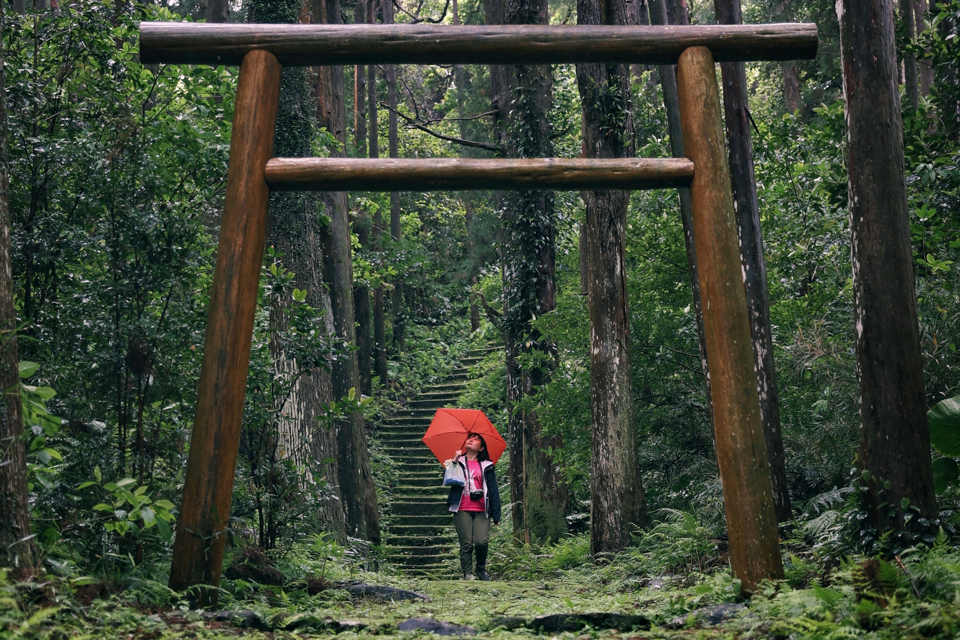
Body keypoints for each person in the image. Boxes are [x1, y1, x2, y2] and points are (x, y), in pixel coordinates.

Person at [443, 433, 501, 580]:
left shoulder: (487, 465)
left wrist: (496, 514)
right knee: (466, 543)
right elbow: (447, 479)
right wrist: (454, 461)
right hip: (462, 508)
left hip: (482, 510)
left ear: (481, 448)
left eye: (476, 439)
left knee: (481, 542)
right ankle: (468, 574)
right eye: (470, 438)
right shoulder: (458, 461)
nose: (471, 440)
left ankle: (481, 569)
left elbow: (493, 490)